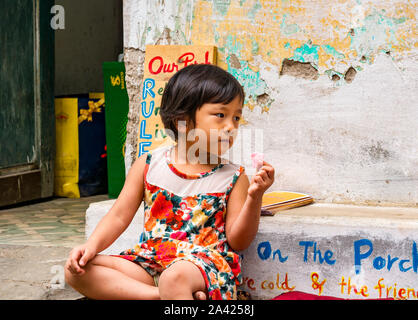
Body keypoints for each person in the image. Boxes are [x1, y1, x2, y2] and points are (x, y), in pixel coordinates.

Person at [65, 64, 275, 300]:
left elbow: (239, 240)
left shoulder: (234, 177)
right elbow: (118, 216)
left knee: (174, 278)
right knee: (78, 270)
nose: (231, 127)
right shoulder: (149, 164)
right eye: (221, 115)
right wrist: (91, 247)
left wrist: (254, 197)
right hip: (150, 262)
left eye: (236, 118)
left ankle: (172, 292)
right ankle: (159, 296)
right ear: (181, 120)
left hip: (200, 267)